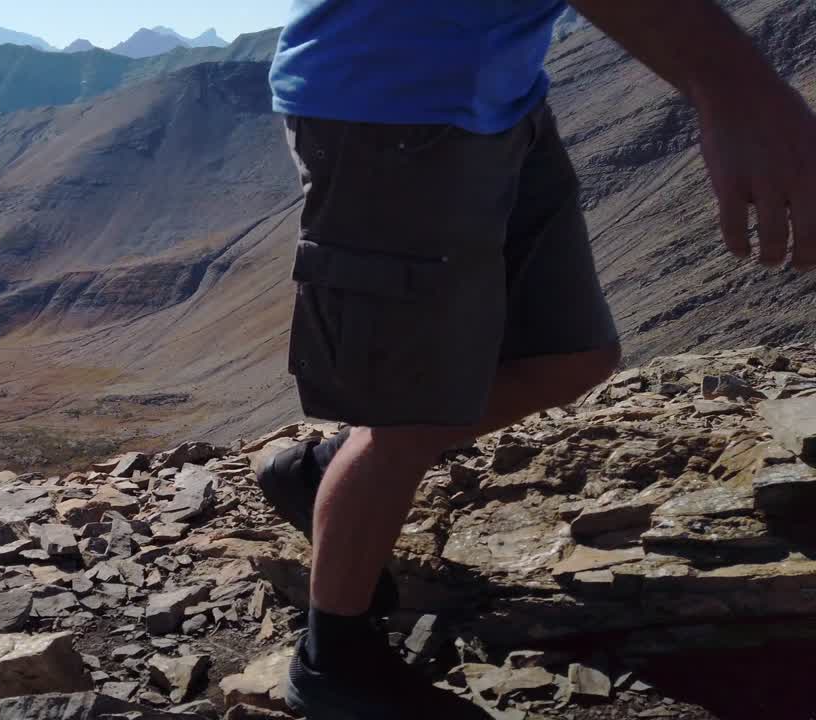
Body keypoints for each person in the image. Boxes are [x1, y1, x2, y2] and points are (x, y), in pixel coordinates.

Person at [260, 0, 816, 717]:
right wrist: (739, 89)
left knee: (572, 354)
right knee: (406, 412)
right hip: (389, 108)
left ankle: (330, 476)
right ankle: (333, 661)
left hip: (499, 98)